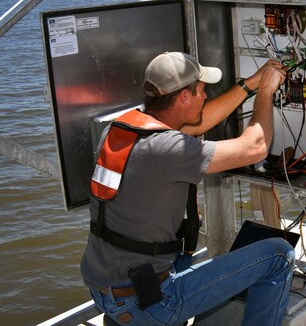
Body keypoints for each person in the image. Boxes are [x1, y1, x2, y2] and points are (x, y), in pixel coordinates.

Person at [81, 51, 294, 326]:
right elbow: (255, 148)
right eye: (201, 91)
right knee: (278, 254)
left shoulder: (122, 127)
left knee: (182, 258)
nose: (205, 97)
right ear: (183, 97)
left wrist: (251, 84)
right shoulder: (167, 149)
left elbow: (199, 121)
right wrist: (266, 90)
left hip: (106, 289)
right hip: (147, 302)